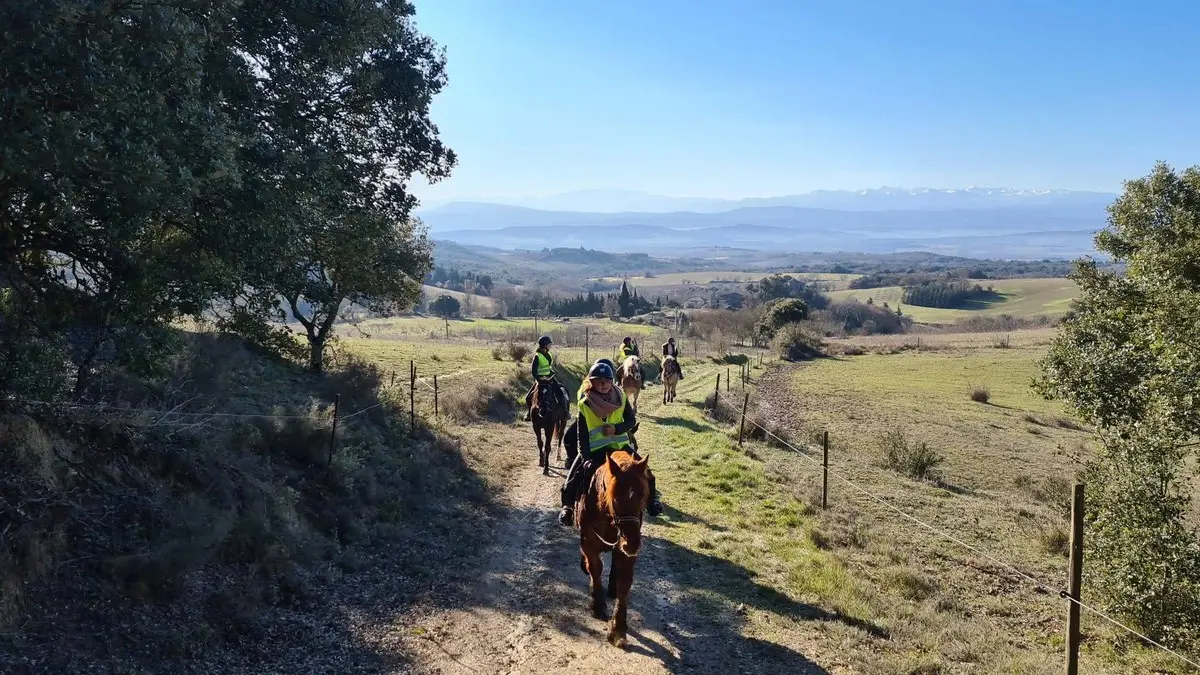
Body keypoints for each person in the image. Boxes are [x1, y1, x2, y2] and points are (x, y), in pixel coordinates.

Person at [558, 361, 662, 526]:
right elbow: (582, 434)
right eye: (600, 381)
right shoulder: (585, 403)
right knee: (572, 478)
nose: (605, 384)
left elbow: (631, 420)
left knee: (645, 470)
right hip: (595, 450)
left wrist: (616, 429)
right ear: (592, 382)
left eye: (608, 380)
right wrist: (585, 458)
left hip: (620, 447)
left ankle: (653, 501)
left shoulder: (620, 396)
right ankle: (568, 507)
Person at [523, 335, 561, 422]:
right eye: (549, 344)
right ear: (544, 345)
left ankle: (565, 412)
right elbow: (534, 371)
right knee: (528, 398)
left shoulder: (549, 354)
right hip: (540, 380)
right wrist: (538, 379)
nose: (550, 346)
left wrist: (552, 374)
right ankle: (529, 413)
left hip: (549, 378)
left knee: (560, 392)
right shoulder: (537, 356)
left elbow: (548, 367)